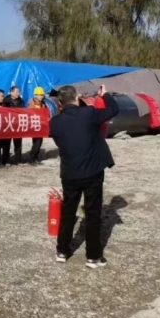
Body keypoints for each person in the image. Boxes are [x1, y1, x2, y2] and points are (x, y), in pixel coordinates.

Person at [50, 84, 119, 268]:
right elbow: (114, 109)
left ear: (60, 103)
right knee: (93, 213)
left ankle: (62, 251)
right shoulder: (89, 113)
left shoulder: (55, 122)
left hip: (69, 174)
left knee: (68, 212)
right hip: (92, 172)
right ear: (77, 97)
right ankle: (93, 256)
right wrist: (105, 95)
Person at [3, 86, 24, 164]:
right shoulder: (6, 101)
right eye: (16, 92)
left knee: (18, 143)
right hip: (8, 124)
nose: (18, 93)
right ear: (11, 92)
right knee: (6, 144)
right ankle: (5, 160)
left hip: (17, 124)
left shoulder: (21, 101)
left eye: (18, 92)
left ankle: (18, 160)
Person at [27, 86, 47, 165]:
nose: (41, 97)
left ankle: (35, 158)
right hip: (34, 126)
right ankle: (31, 159)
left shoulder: (43, 104)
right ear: (35, 95)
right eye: (40, 95)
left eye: (42, 95)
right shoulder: (31, 104)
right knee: (36, 143)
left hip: (41, 126)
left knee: (39, 142)